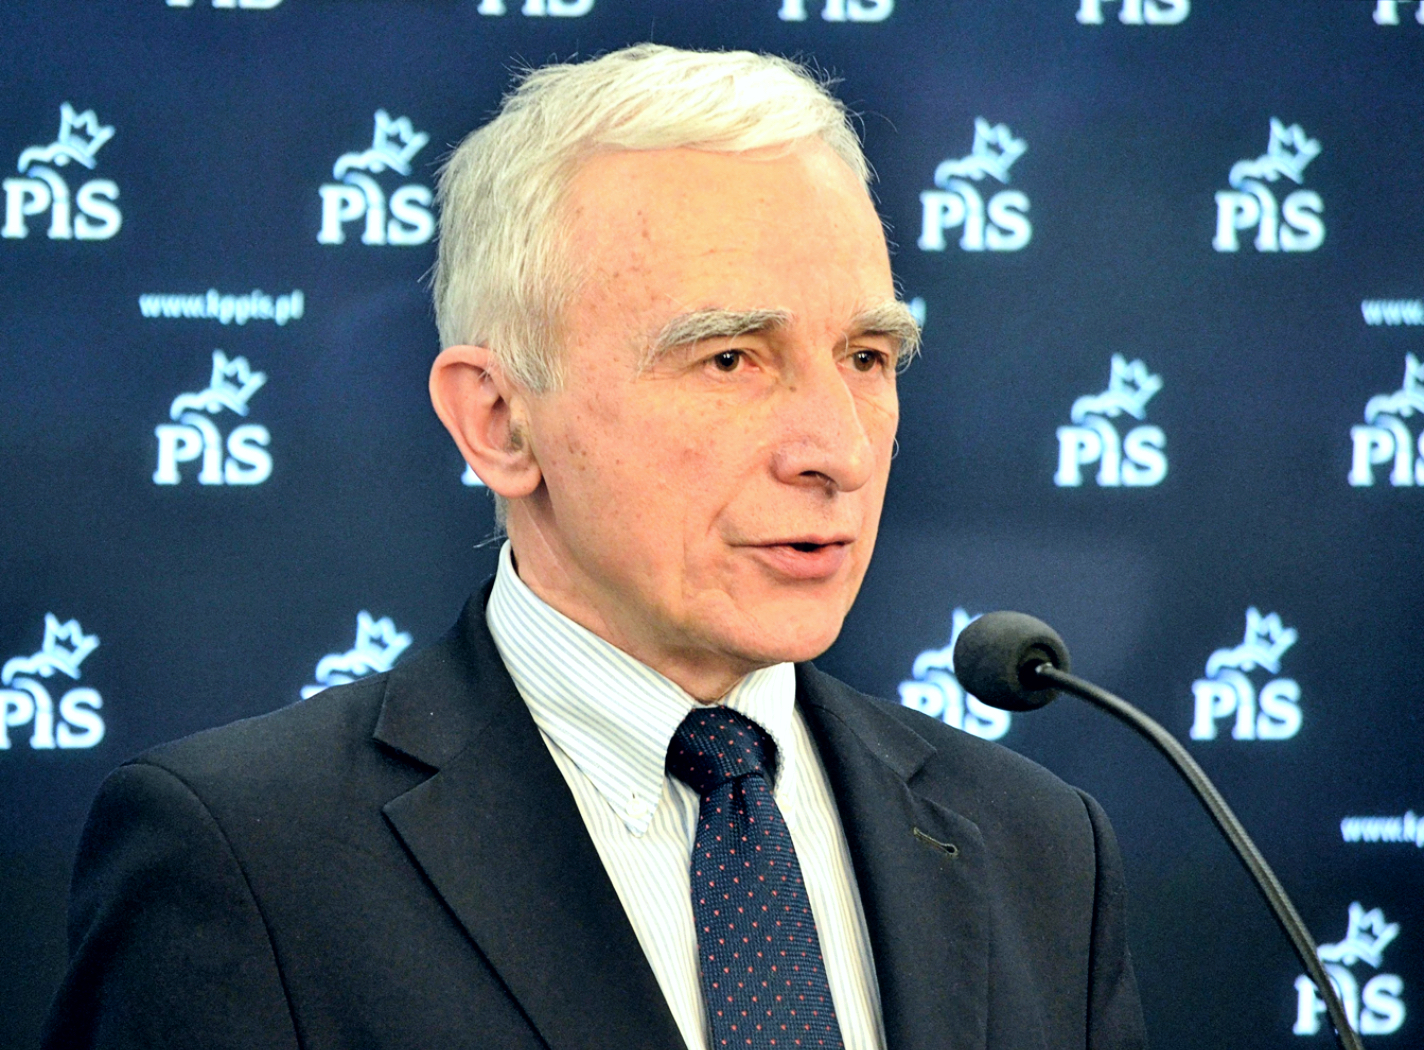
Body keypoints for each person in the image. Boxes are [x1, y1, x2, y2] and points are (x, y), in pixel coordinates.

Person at [44, 45, 1146, 1050]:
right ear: (498, 422)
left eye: (866, 357)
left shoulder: (1038, 847)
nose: (840, 452)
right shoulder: (249, 858)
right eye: (729, 359)